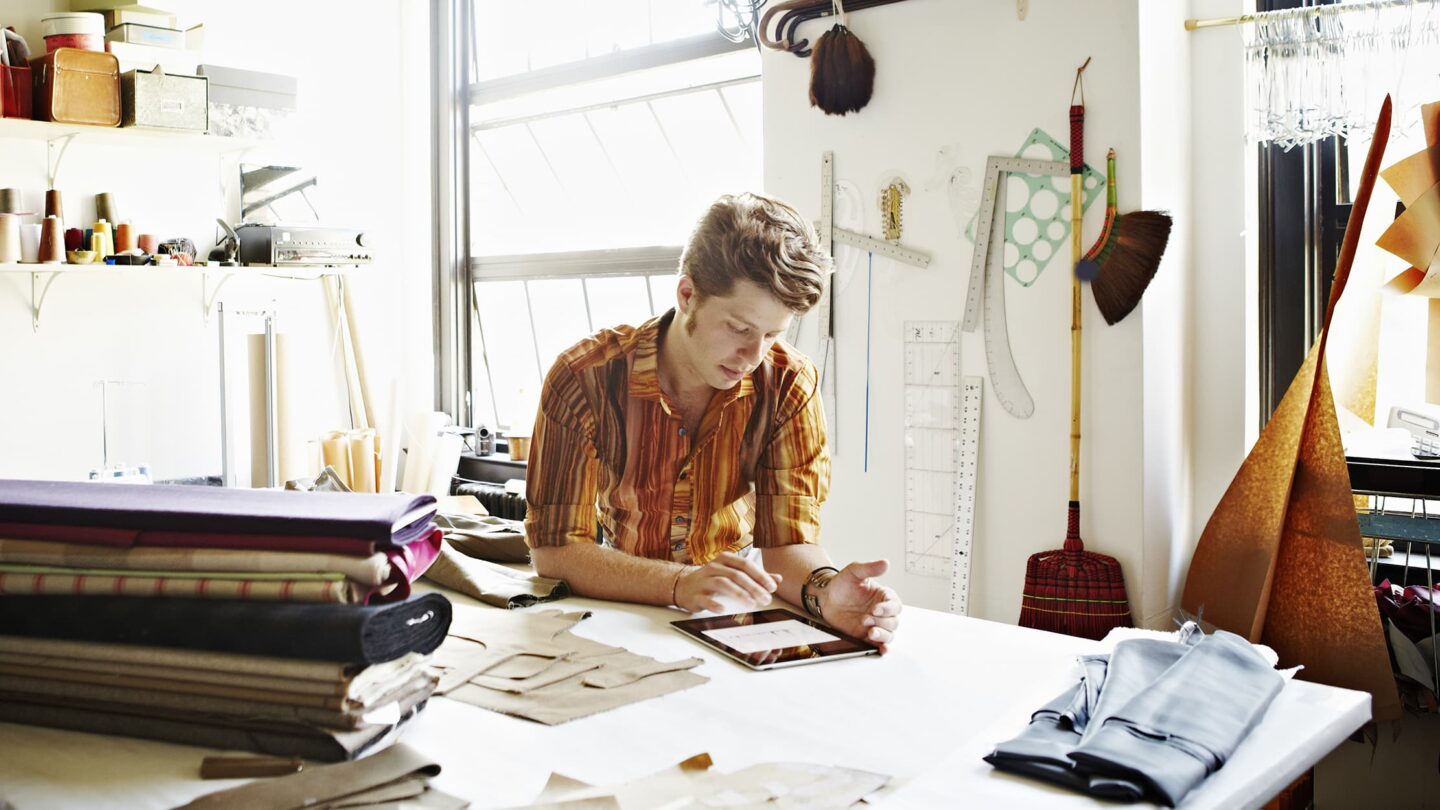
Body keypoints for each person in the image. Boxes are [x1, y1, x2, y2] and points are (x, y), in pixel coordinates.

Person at [524, 192, 901, 651]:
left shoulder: (789, 383)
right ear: (687, 295)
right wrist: (681, 583)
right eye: (740, 329)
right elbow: (556, 552)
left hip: (731, 606)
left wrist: (825, 593)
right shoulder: (584, 377)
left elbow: (786, 545)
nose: (753, 355)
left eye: (772, 334)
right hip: (614, 604)